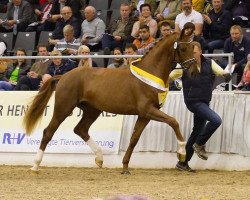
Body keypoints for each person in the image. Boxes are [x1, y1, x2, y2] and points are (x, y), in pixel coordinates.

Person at [171, 41, 231, 172]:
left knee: (196, 131)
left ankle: (182, 163)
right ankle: (199, 144)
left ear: (200, 52)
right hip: (193, 102)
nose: (192, 54)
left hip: (204, 101)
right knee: (216, 120)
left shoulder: (209, 63)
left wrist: (226, 75)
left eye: (194, 52)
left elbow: (220, 71)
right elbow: (170, 77)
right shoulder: (183, 66)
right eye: (190, 52)